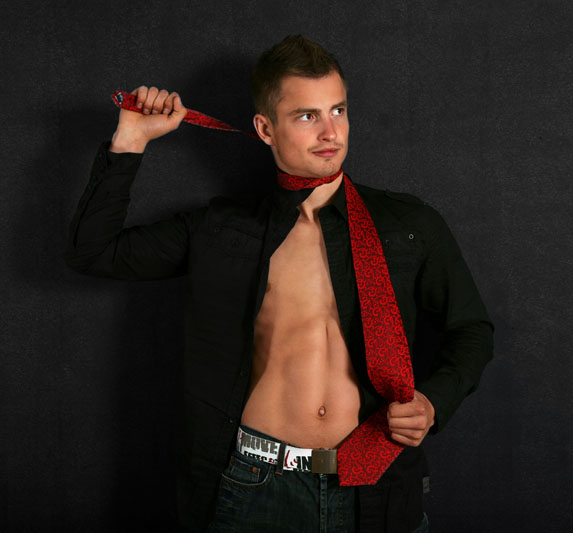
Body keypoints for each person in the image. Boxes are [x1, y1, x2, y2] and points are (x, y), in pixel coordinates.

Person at [65, 35, 493, 532]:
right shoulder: (221, 229)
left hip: (376, 483)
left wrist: (434, 401)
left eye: (338, 110)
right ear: (265, 129)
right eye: (307, 116)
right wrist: (131, 140)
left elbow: (471, 330)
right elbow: (95, 252)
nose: (330, 132)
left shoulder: (409, 225)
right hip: (256, 487)